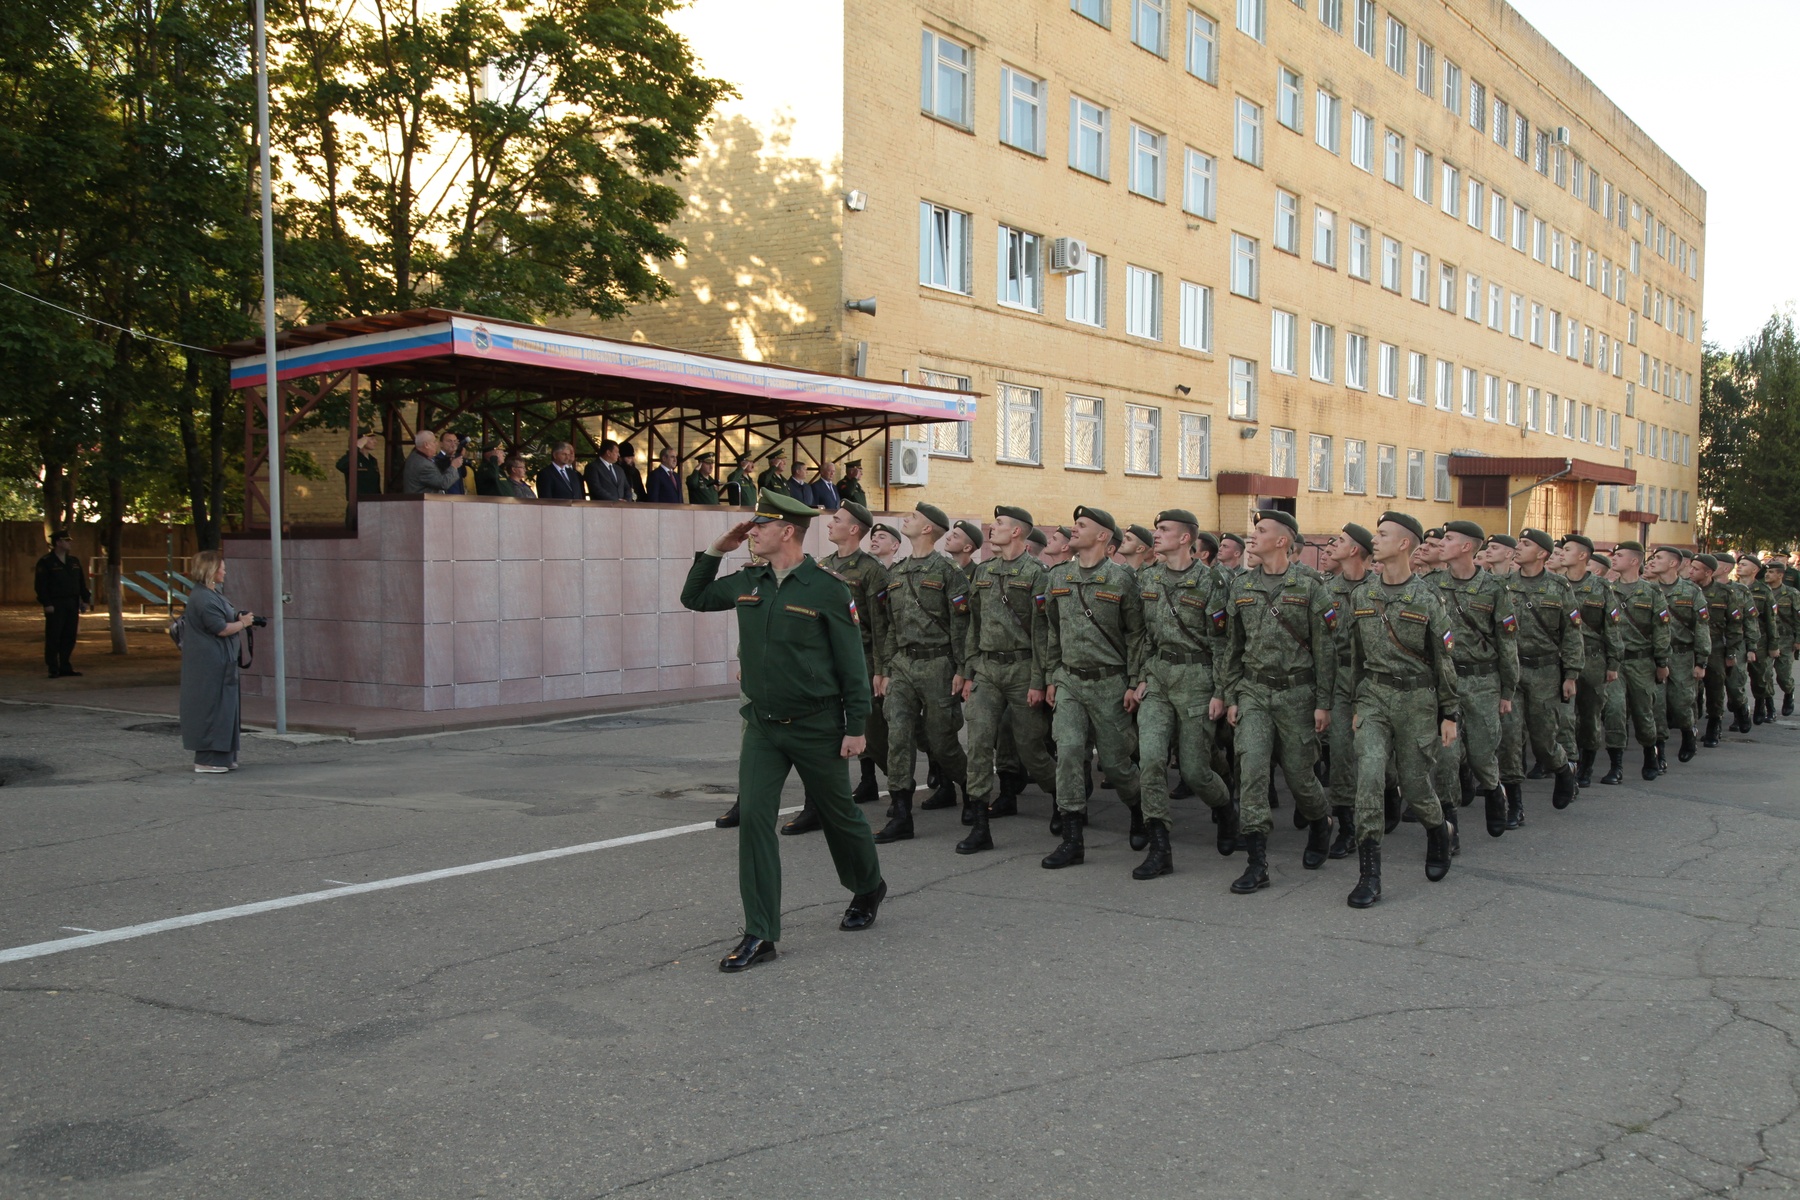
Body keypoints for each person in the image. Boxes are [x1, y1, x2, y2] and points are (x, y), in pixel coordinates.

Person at [679, 490, 887, 972]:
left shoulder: (827, 588)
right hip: (763, 726)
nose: (751, 532)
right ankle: (761, 933)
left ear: (786, 531)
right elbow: (694, 597)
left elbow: (852, 665)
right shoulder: (748, 580)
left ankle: (867, 885)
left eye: (759, 526)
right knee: (753, 819)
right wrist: (717, 549)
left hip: (817, 726)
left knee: (840, 816)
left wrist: (856, 727)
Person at [1212, 510, 1336, 893]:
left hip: (1298, 694)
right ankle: (1256, 861)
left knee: (1300, 776)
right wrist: (1230, 695)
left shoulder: (1310, 585)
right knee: (1251, 771)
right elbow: (1231, 647)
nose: (1253, 535)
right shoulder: (1241, 586)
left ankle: (1321, 820)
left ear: (1283, 541)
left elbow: (1325, 648)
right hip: (1253, 692)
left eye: (1262, 531)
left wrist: (1323, 702)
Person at [1342, 512, 1460, 908]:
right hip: (1373, 696)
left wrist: (1449, 714)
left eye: (1383, 534)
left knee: (1414, 784)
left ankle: (1438, 829)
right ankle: (1369, 875)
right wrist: (1359, 702)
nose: (1375, 540)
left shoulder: (1428, 598)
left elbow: (1444, 661)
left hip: (1416, 701)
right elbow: (1356, 656)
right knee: (1370, 776)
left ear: (1404, 544)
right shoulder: (1363, 594)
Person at [1131, 508, 1237, 878]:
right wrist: (1139, 676)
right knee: (1152, 760)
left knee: (1194, 770)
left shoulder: (1212, 582)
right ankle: (1160, 845)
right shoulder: (1148, 577)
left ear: (1185, 539)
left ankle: (1225, 810)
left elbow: (1223, 643)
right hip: (1158, 677)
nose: (1155, 535)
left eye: (1164, 530)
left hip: (1197, 678)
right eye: (1155, 528)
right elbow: (1141, 634)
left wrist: (1221, 691)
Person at [1039, 506, 1146, 870]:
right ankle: (1072, 839)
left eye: (1082, 525)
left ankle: (1139, 808)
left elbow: (1136, 635)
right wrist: (1054, 674)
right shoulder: (1058, 576)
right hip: (1070, 679)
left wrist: (1134, 682)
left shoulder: (1122, 579)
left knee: (1116, 765)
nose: (1074, 528)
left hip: (1110, 683)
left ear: (1103, 536)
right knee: (1068, 752)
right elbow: (1053, 629)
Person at [780, 500, 892, 834]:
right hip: (826, 662)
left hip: (863, 658)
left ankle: (912, 780)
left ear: (854, 529)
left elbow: (883, 624)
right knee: (822, 734)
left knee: (874, 735)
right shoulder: (822, 565)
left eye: (837, 520)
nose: (829, 524)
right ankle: (815, 807)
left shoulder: (872, 570)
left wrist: (881, 669)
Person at [956, 505, 1059, 856]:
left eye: (999, 524)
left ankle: (1064, 797)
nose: (992, 527)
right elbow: (974, 624)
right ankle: (980, 822)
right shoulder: (984, 571)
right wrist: (969, 671)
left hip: (1022, 668)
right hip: (987, 668)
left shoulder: (1037, 574)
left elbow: (1044, 631)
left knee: (1031, 748)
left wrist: (1039, 679)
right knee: (980, 743)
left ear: (1017, 532)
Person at [875, 502, 969, 842]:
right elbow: (889, 626)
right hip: (902, 663)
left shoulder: (947, 571)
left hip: (939, 663)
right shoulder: (896, 573)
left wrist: (962, 668)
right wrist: (885, 668)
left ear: (927, 528)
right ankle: (901, 813)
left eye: (912, 518)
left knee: (941, 741)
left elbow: (962, 624)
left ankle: (971, 788)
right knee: (898, 732)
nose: (905, 520)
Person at [1428, 520, 1520, 843]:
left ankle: (1495, 791)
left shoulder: (1494, 590)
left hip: (1483, 682)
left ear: (1467, 547)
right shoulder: (1431, 584)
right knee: (1446, 758)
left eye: (1449, 538)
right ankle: (1448, 826)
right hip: (1446, 683)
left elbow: (1507, 644)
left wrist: (1508, 690)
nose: (1442, 542)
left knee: (1481, 755)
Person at [1498, 529, 1581, 823]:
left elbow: (1572, 634)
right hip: (1511, 671)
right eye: (1518, 542)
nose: (1518, 548)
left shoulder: (1559, 587)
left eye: (1526, 544)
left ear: (1543, 553)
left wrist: (1571, 674)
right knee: (1508, 738)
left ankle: (1562, 768)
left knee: (1544, 742)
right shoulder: (1503, 585)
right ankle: (1515, 806)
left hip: (1546, 672)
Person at [1323, 524, 1374, 858]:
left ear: (1355, 550)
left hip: (1375, 678)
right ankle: (1347, 825)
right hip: (1339, 676)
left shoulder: (1380, 588)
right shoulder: (1327, 591)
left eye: (1340, 541)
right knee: (1341, 751)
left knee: (1375, 755)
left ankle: (1390, 791)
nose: (1334, 545)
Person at [1555, 534, 1623, 786]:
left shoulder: (1602, 588)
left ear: (1583, 556)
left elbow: (1612, 628)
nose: (1561, 553)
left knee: (1589, 716)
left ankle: (1587, 763)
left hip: (1593, 661)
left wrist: (1613, 664)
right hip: (1560, 660)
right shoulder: (1555, 584)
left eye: (1568, 549)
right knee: (1564, 716)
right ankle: (1569, 763)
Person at [180, 550, 252, 774]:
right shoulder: (203, 598)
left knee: (225, 708)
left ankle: (223, 757)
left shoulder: (212, 594)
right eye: (221, 567)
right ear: (210, 569)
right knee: (212, 708)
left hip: (220, 662)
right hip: (210, 665)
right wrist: (244, 624)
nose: (224, 571)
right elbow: (221, 629)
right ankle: (207, 759)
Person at [1649, 546, 1710, 762]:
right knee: (1656, 705)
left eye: (1658, 558)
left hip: (1682, 655)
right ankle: (1660, 752)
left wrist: (1701, 661)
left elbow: (1702, 628)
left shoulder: (1691, 591)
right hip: (1653, 656)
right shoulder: (1647, 589)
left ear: (1673, 563)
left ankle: (1688, 733)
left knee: (1681, 703)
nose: (1652, 561)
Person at [1692, 553, 1748, 743]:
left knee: (1715, 687)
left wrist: (1731, 652)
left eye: (1696, 568)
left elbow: (1735, 625)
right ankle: (1690, 725)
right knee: (1690, 689)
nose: (1690, 571)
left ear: (1708, 572)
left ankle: (1714, 725)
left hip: (1716, 647)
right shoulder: (1685, 590)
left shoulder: (1724, 593)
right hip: (1689, 646)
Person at [35, 529, 90, 678]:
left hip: (72, 602)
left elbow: (81, 582)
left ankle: (65, 665)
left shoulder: (74, 561)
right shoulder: (46, 562)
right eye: (66, 540)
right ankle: (53, 667)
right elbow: (41, 586)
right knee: (54, 635)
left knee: (69, 635)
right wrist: (47, 603)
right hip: (55, 603)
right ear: (58, 542)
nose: (69, 543)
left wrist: (85, 600)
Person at [1767, 559, 1799, 716]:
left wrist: (1798, 640)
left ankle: (1789, 692)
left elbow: (1798, 618)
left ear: (1780, 575)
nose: (1767, 574)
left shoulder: (1792, 594)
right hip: (1764, 638)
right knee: (1763, 675)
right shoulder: (1761, 591)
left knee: (1783, 675)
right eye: (1766, 571)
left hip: (1785, 639)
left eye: (1771, 572)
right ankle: (1768, 705)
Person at [403, 430, 463, 494]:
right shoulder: (423, 464)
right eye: (434, 442)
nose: (436, 444)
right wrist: (454, 466)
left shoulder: (416, 457)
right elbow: (443, 483)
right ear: (426, 445)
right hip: (425, 502)